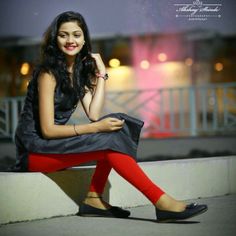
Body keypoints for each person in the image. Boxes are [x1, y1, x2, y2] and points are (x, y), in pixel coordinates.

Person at [12, 11, 207, 222]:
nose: (70, 40)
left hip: (52, 146)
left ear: (84, 38)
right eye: (63, 35)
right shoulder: (48, 74)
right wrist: (96, 128)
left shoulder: (76, 72)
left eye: (76, 35)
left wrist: (102, 74)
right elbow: (48, 130)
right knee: (108, 138)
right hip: (35, 152)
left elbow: (94, 114)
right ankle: (160, 201)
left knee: (117, 122)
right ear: (55, 39)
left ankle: (95, 198)